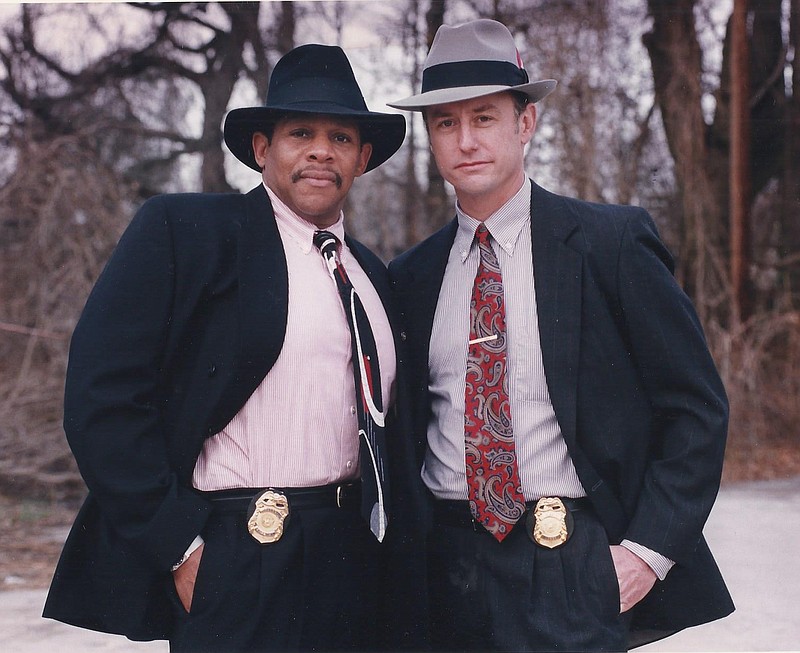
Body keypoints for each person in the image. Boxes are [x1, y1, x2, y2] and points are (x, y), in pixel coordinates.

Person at [43, 44, 417, 652]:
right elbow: (101, 400)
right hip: (239, 551)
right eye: (301, 132)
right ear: (263, 149)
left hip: (353, 559)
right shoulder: (186, 233)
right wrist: (180, 548)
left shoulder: (374, 277)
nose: (322, 150)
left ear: (363, 157)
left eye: (341, 138)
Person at [387, 18, 734, 651]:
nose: (465, 140)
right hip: (443, 576)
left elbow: (696, 409)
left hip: (569, 564)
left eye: (485, 117)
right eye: (445, 123)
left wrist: (648, 552)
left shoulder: (611, 246)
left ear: (526, 123)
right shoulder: (408, 278)